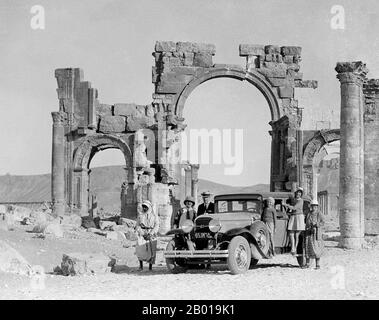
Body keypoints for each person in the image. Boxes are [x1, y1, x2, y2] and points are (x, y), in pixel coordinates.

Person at [135, 200, 159, 271]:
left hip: (151, 233)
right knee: (140, 249)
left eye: (146, 207)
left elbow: (157, 225)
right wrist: (143, 233)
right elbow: (137, 225)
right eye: (143, 207)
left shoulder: (154, 216)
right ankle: (141, 266)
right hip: (142, 233)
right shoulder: (140, 215)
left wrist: (151, 233)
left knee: (151, 250)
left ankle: (150, 267)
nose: (144, 208)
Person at [283, 187, 305, 255]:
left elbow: (294, 208)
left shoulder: (301, 200)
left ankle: (295, 248)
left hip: (298, 216)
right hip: (293, 216)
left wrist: (285, 205)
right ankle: (293, 247)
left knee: (296, 234)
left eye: (300, 193)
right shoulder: (294, 200)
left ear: (301, 194)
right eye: (297, 192)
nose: (298, 194)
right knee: (291, 233)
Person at [303, 199, 325, 269]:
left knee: (316, 249)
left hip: (316, 234)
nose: (314, 207)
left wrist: (317, 224)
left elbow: (323, 222)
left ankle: (317, 265)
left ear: (317, 206)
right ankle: (307, 264)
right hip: (308, 233)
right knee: (307, 248)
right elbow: (305, 221)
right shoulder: (309, 213)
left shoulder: (319, 214)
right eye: (312, 206)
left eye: (315, 206)